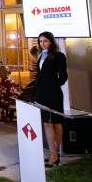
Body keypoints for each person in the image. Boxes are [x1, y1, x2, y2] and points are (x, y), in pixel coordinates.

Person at [35, 31, 67, 168]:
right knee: (47, 123)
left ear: (51, 42)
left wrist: (52, 85)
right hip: (42, 94)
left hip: (53, 94)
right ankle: (54, 154)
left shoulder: (59, 55)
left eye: (45, 41)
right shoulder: (40, 56)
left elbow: (63, 77)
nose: (43, 43)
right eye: (40, 41)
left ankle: (54, 154)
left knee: (56, 122)